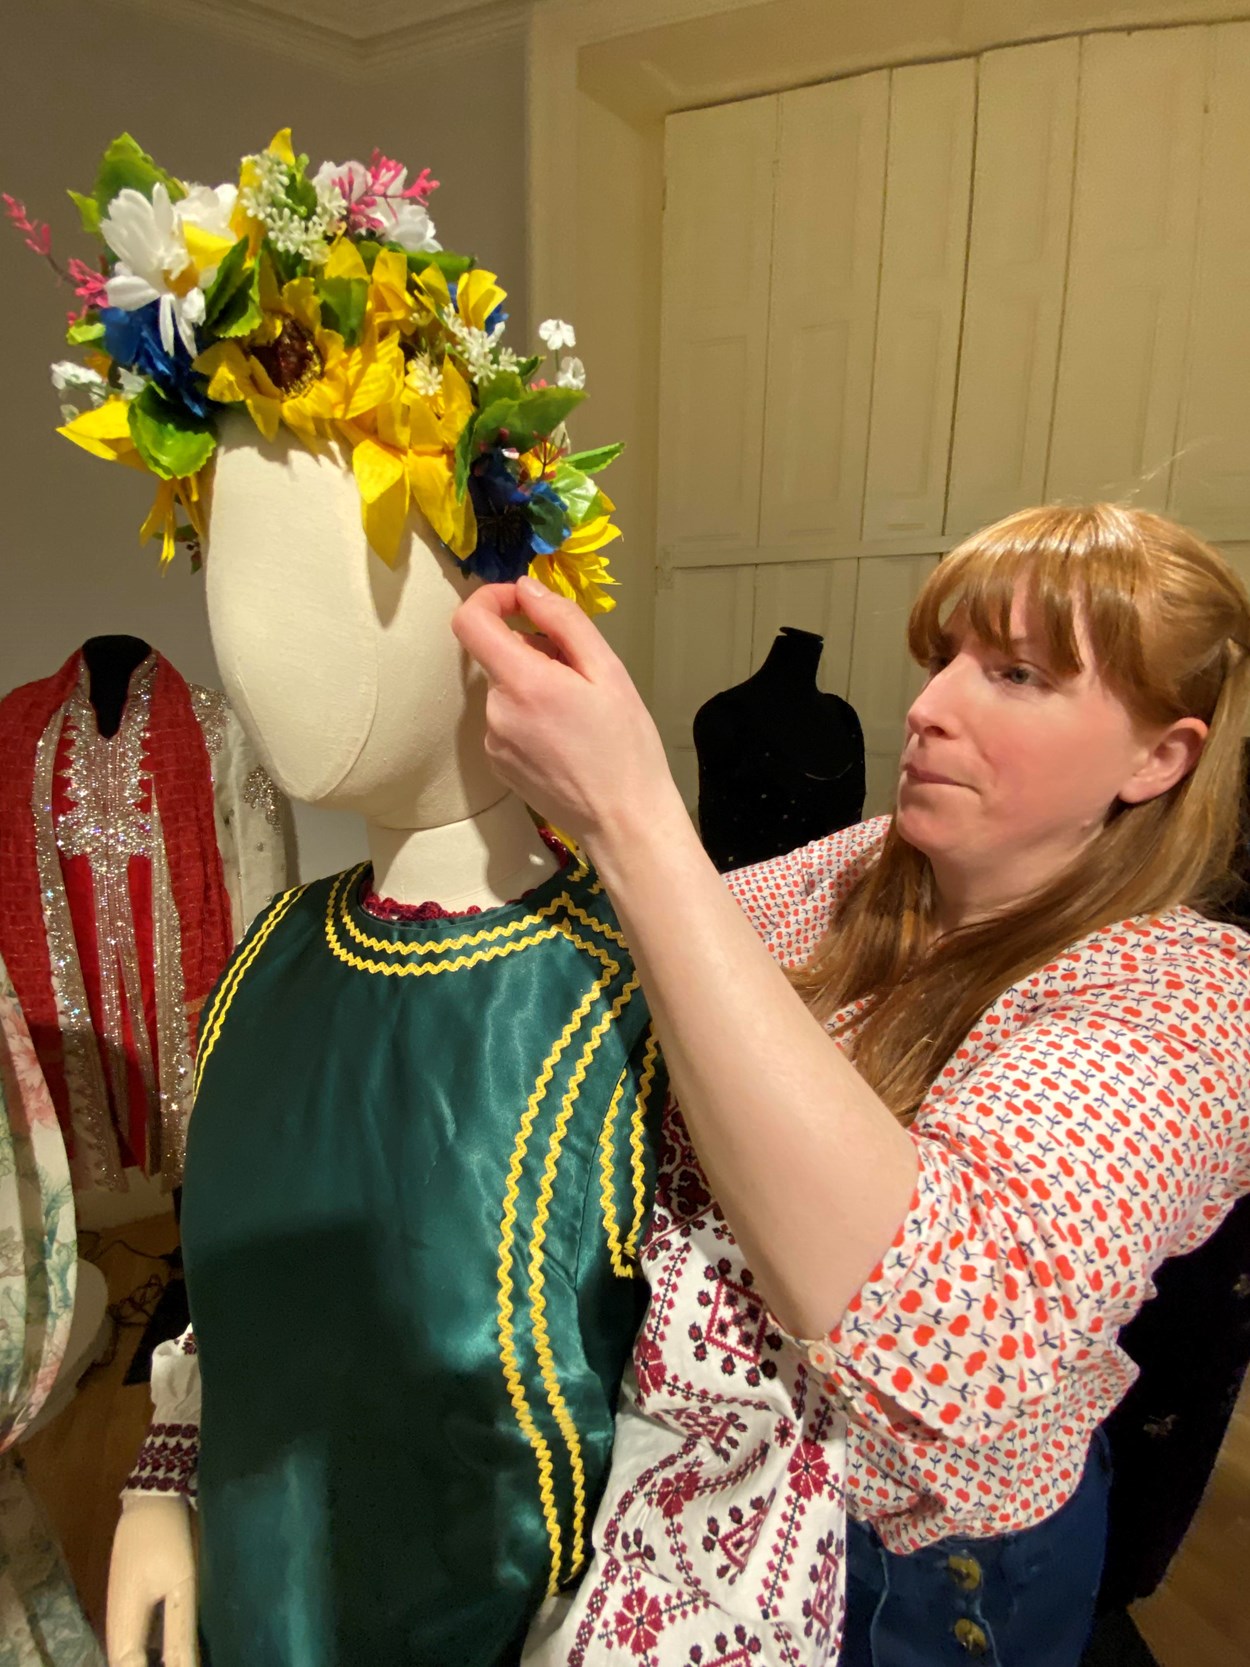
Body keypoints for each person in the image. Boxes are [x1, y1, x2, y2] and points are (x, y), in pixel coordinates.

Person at [452, 502, 1250, 1666]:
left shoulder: (1187, 999)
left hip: (911, 1573)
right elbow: (656, 965)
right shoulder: (871, 868)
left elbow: (936, 1325)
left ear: (1156, 757)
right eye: (942, 661)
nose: (925, 708)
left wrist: (632, 811)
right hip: (702, 1479)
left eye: (1016, 673)